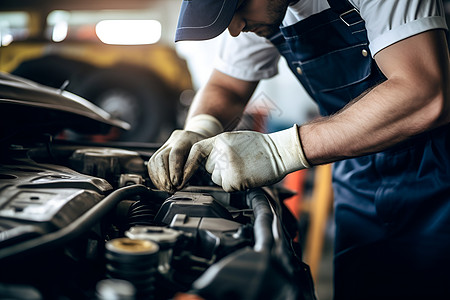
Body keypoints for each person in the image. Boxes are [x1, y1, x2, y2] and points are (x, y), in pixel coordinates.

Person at [148, 0, 450, 299]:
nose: (235, 28)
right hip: (359, 178)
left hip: (440, 173)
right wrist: (198, 129)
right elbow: (226, 87)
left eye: (237, 9)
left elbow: (424, 92)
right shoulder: (261, 13)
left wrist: (279, 150)